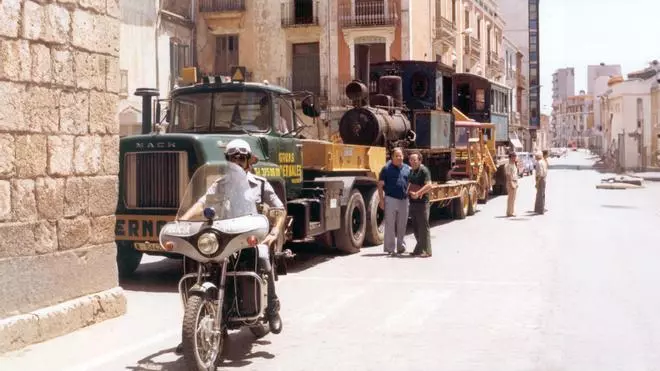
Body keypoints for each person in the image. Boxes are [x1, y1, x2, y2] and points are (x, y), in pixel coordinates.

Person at [175, 139, 286, 354]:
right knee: (194, 260)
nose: (236, 161)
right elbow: (201, 203)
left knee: (263, 256)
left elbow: (279, 209)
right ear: (227, 160)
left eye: (241, 158)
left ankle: (272, 308)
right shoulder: (220, 184)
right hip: (225, 236)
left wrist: (273, 233)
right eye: (232, 158)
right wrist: (183, 219)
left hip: (252, 236)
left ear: (248, 161)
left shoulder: (261, 184)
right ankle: (193, 329)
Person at [377, 147, 411, 256]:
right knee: (390, 225)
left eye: (401, 155)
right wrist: (381, 200)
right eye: (397, 156)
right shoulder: (386, 169)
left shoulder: (408, 169)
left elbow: (412, 182)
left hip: (404, 200)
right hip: (390, 199)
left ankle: (401, 247)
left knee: (402, 225)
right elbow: (380, 185)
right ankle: (390, 248)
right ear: (392, 157)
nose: (399, 157)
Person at [407, 151, 433, 258]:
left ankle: (427, 251)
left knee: (423, 226)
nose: (412, 162)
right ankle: (419, 249)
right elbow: (409, 184)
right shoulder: (411, 171)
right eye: (411, 160)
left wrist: (418, 193)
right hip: (413, 202)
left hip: (422, 202)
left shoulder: (424, 170)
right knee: (416, 227)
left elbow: (429, 185)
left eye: (415, 160)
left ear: (420, 160)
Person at [505, 152, 519, 217]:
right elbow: (508, 175)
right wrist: (511, 184)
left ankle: (511, 211)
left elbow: (515, 174)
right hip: (511, 182)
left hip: (515, 181)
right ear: (510, 157)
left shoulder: (514, 164)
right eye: (513, 157)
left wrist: (516, 183)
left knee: (513, 198)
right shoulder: (508, 165)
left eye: (515, 157)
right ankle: (509, 212)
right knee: (511, 198)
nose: (515, 158)